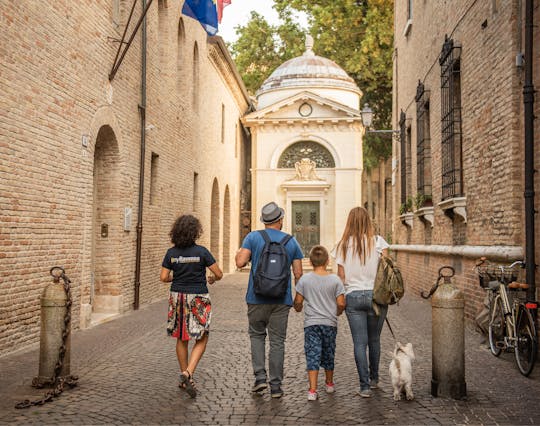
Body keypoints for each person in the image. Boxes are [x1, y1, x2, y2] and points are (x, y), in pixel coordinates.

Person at [235, 201, 304, 398]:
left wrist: (240, 254)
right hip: (281, 300)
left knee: (257, 336)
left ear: (264, 221)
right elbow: (298, 273)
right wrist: (298, 299)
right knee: (278, 341)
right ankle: (276, 386)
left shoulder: (253, 237)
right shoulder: (291, 241)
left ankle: (259, 378)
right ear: (280, 220)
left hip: (256, 298)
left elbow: (240, 262)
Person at [160, 214, 223, 398]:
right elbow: (218, 273)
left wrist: (176, 277)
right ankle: (188, 373)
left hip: (177, 296)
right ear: (195, 232)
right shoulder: (202, 252)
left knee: (182, 336)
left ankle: (184, 376)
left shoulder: (171, 253)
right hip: (197, 297)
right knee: (202, 336)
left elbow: (163, 277)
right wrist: (212, 278)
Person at [333, 206, 390, 398]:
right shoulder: (379, 242)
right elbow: (385, 272)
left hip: (353, 295)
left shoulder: (341, 246)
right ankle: (374, 379)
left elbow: (341, 277)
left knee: (359, 342)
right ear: (368, 221)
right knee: (374, 340)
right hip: (376, 296)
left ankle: (364, 387)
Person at [293, 245, 346, 401]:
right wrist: (337, 312)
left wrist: (298, 307)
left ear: (310, 262)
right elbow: (341, 303)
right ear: (327, 260)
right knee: (329, 352)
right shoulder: (335, 280)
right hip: (330, 324)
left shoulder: (305, 280)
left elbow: (298, 301)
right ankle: (329, 384)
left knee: (313, 354)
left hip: (311, 324)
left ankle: (312, 390)